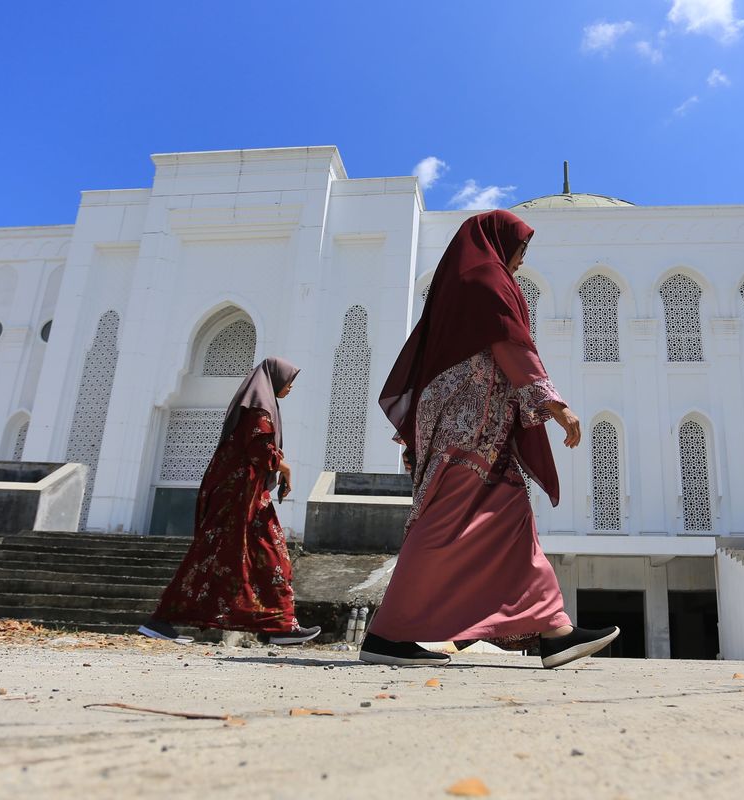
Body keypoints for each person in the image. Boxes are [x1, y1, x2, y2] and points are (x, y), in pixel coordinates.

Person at [359, 209, 619, 668]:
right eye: (520, 250)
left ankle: (553, 628)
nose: (521, 261)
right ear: (501, 243)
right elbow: (509, 343)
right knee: (439, 527)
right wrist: (556, 405)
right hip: (469, 435)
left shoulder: (465, 281)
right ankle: (386, 635)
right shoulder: (486, 281)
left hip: (484, 435)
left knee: (514, 519)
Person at [139, 357, 321, 646]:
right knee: (269, 556)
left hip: (241, 495)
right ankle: (279, 626)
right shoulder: (259, 408)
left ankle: (275, 625)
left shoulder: (259, 404)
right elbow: (259, 449)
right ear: (275, 379)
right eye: (290, 380)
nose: (291, 387)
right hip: (240, 498)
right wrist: (285, 468)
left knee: (225, 558)